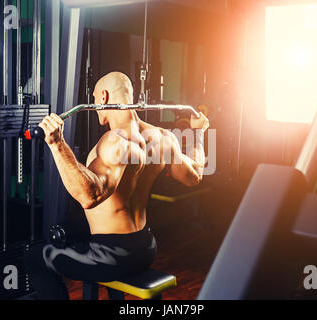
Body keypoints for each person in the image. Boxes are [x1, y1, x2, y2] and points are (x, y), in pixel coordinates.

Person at [24, 71, 209, 299]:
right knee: (77, 237)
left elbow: (89, 197)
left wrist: (57, 144)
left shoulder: (115, 142)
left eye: (94, 98)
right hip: (146, 247)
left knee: (35, 258)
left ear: (103, 97)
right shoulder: (163, 138)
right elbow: (195, 175)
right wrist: (198, 132)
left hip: (112, 256)